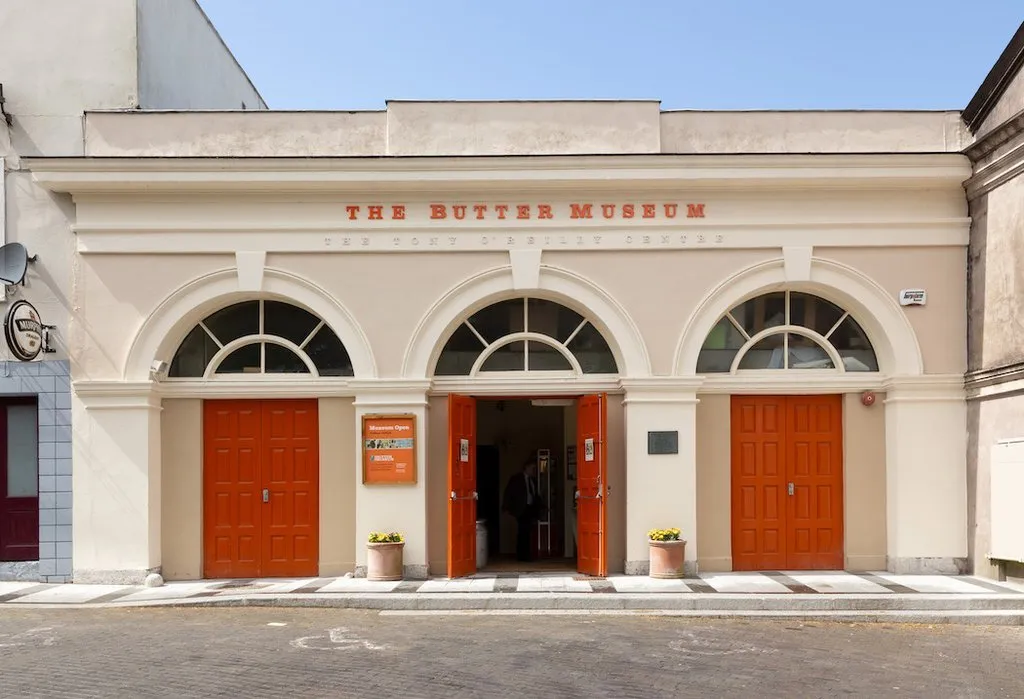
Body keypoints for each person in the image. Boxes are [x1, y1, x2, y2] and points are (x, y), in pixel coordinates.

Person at [502, 457, 542, 562]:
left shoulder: (533, 480)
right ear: (526, 467)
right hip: (521, 509)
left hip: (530, 508)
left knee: (528, 532)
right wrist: (506, 507)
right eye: (533, 468)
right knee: (522, 532)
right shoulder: (516, 479)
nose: (534, 470)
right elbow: (508, 493)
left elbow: (535, 495)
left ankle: (527, 555)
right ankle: (522, 556)